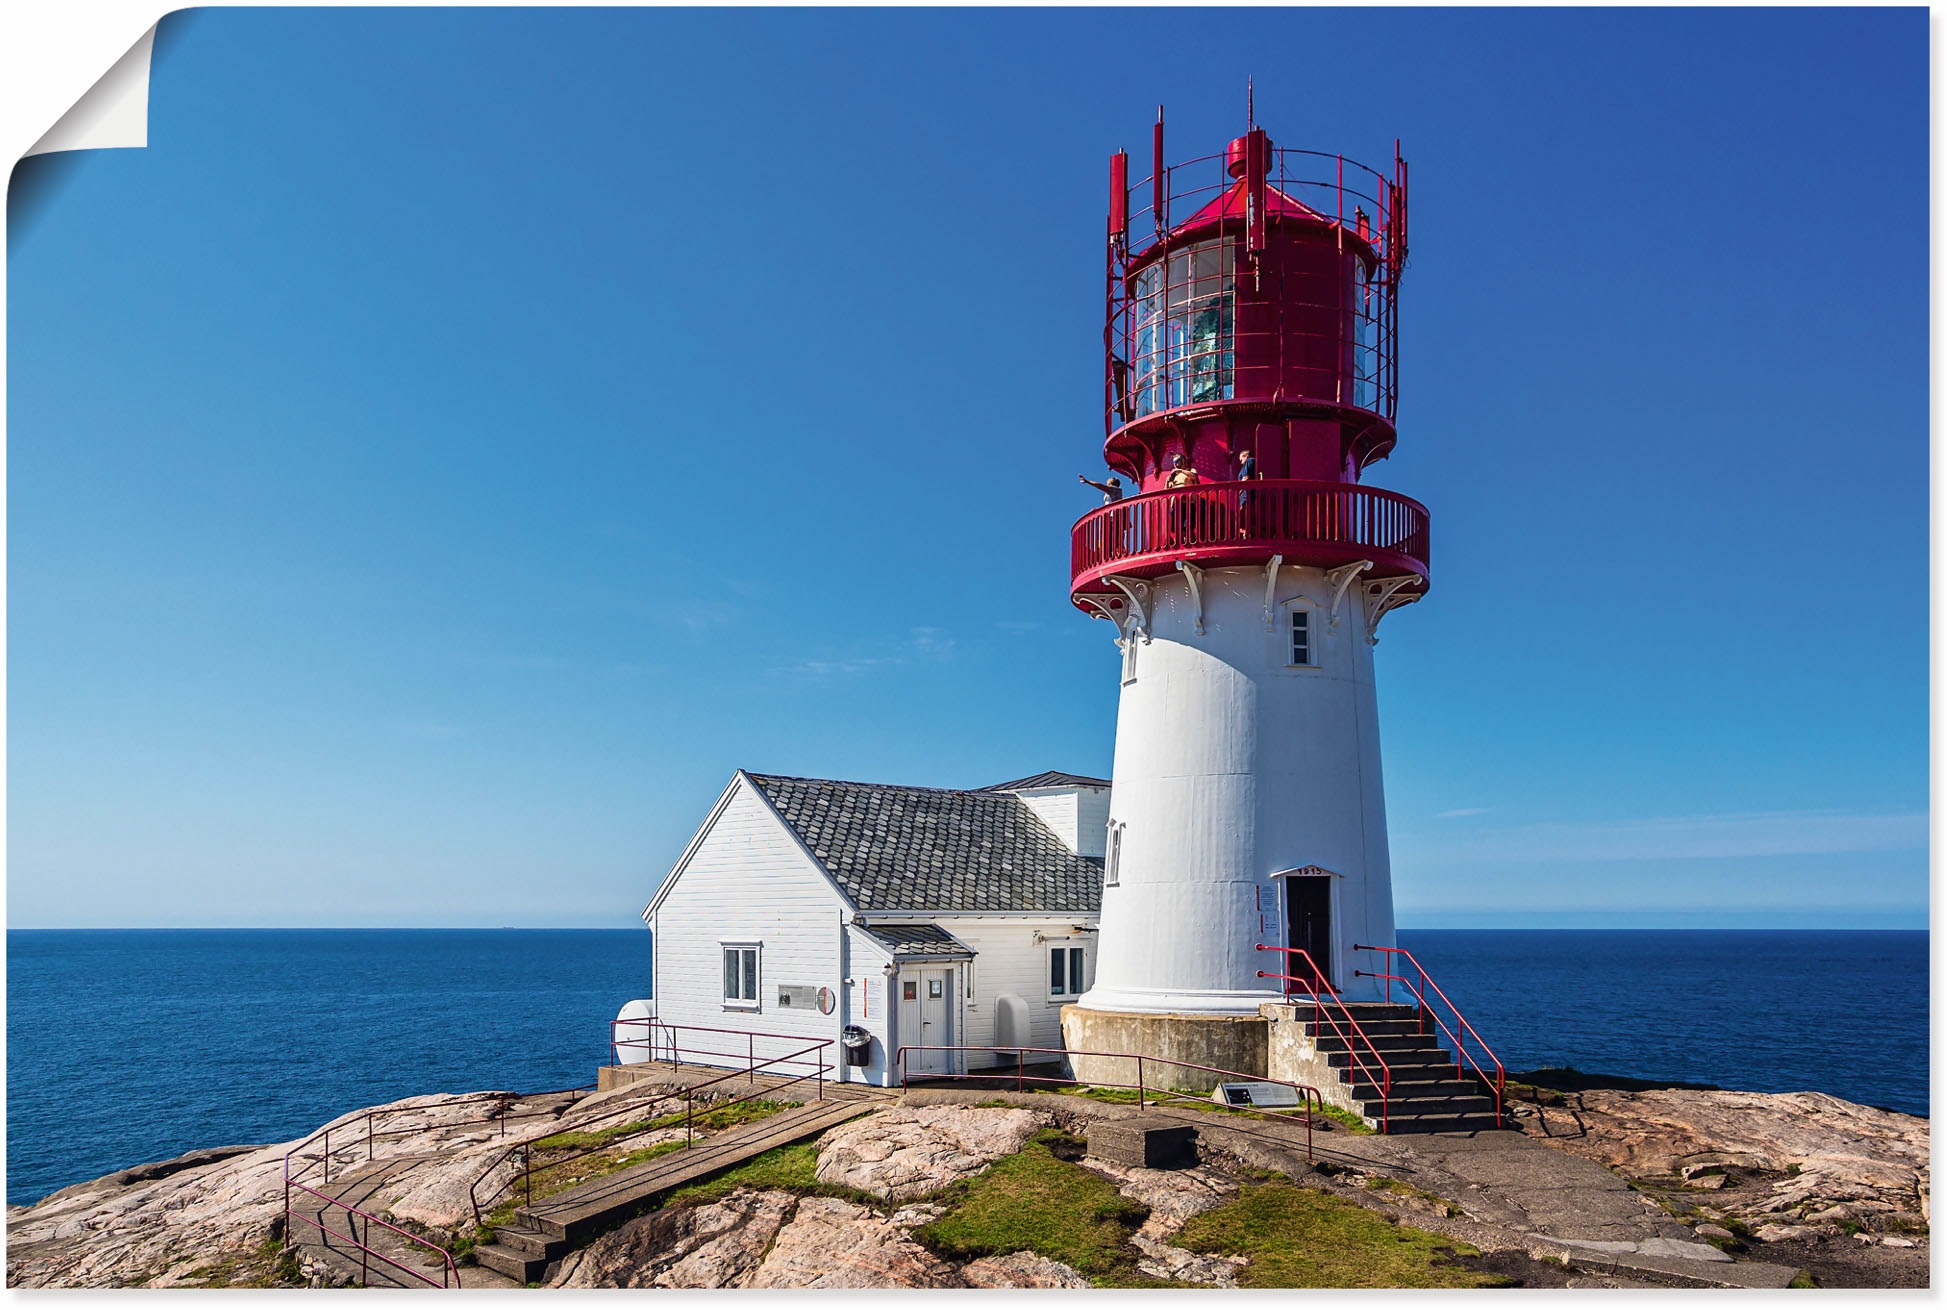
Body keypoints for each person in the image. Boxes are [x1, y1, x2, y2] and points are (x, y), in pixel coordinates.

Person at [1235, 448, 1257, 537]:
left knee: (1245, 513)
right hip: (1245, 494)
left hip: (1246, 493)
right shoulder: (1246, 464)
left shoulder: (1250, 460)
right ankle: (1246, 533)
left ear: (1246, 456)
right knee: (1243, 513)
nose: (1241, 462)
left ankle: (1247, 533)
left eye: (1241, 459)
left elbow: (1246, 478)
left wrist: (1239, 491)